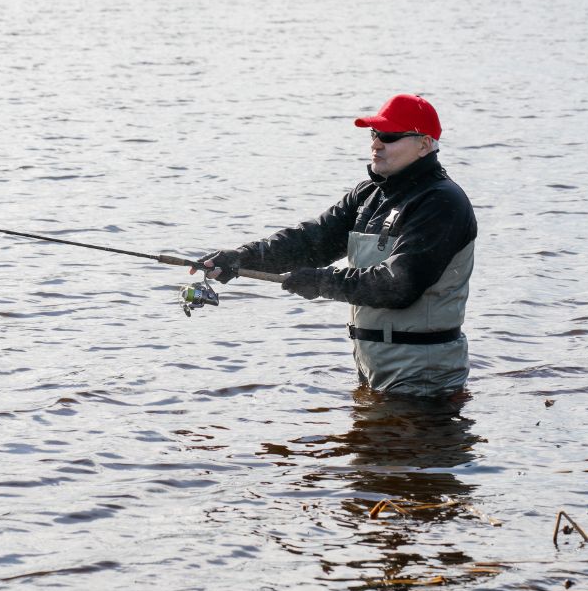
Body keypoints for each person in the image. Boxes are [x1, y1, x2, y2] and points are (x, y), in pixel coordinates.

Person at [194, 94, 477, 397]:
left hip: (423, 374)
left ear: (424, 145)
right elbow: (311, 241)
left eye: (389, 136)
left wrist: (321, 282)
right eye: (374, 134)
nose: (376, 144)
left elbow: (398, 284)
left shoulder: (441, 202)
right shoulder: (368, 194)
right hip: (374, 363)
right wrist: (241, 259)